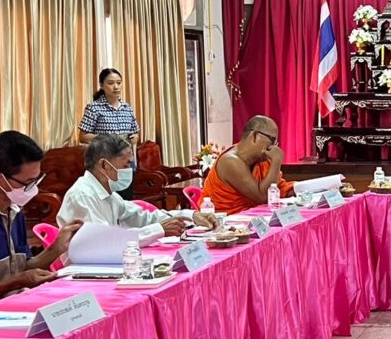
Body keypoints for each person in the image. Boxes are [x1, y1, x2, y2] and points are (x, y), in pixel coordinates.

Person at [0, 131, 82, 306]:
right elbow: (18, 278)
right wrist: (16, 282)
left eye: (37, 180)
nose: (34, 189)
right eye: (28, 182)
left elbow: (23, 268)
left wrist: (57, 248)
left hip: (19, 305)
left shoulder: (14, 210)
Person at [58, 134, 217, 243]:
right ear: (104, 165)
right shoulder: (82, 195)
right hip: (87, 271)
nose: (130, 171)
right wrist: (158, 230)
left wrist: (191, 215)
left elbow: (145, 218)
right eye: (126, 165)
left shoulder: (110, 196)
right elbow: (106, 242)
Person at [200, 116, 295, 215]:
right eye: (272, 140)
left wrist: (301, 189)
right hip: (225, 220)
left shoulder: (261, 160)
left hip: (251, 218)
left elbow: (279, 187)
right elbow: (263, 197)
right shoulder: (230, 161)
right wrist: (276, 161)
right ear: (255, 136)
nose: (274, 147)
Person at [78, 68, 141, 149]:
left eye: (119, 83)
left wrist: (135, 138)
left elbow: (135, 133)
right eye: (110, 83)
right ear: (101, 85)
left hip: (126, 154)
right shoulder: (94, 107)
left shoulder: (127, 108)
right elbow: (83, 137)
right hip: (103, 154)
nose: (116, 87)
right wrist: (107, 139)